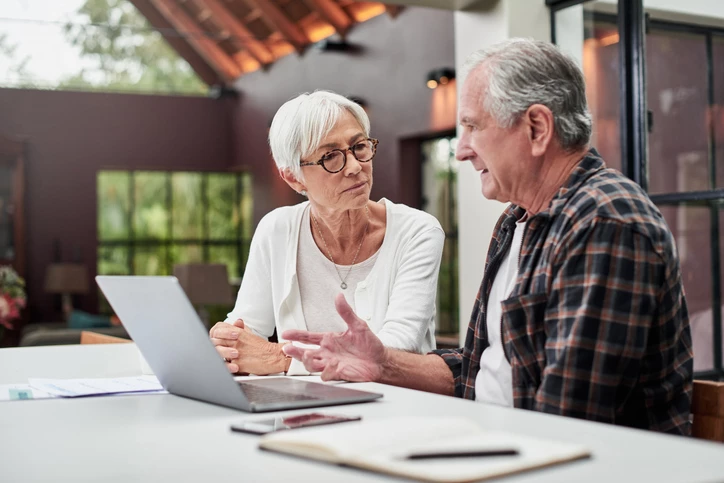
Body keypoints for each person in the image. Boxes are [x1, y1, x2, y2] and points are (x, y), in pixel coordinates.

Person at [282, 39, 694, 435]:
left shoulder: (604, 224)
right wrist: (381, 364)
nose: (461, 151)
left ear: (536, 128)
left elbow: (568, 422)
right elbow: (479, 370)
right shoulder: (516, 222)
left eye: (472, 127)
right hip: (504, 442)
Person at [209, 90, 445, 376]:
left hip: (395, 408)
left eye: (359, 146)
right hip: (301, 411)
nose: (356, 167)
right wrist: (228, 344)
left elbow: (394, 350)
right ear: (293, 177)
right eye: (330, 157)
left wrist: (282, 360)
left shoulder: (417, 231)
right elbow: (246, 335)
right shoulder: (277, 230)